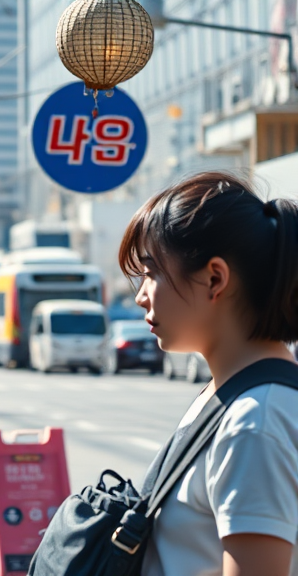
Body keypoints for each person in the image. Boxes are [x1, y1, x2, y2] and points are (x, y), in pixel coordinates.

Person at [115, 173, 298, 576]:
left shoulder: (254, 420)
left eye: (151, 272)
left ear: (214, 279)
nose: (140, 294)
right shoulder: (231, 395)